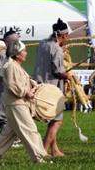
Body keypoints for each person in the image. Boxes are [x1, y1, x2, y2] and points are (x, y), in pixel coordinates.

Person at [0, 41, 49, 165]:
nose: (26, 53)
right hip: (16, 104)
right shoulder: (11, 66)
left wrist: (32, 84)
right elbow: (12, 85)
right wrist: (26, 92)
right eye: (23, 51)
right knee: (30, 129)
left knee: (9, 133)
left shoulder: (15, 65)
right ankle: (39, 157)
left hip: (17, 103)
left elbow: (20, 81)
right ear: (17, 54)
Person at [34, 18, 70, 157]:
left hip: (40, 85)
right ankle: (43, 150)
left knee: (53, 119)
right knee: (57, 121)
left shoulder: (43, 43)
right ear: (64, 35)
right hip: (52, 89)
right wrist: (67, 75)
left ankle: (54, 150)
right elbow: (58, 71)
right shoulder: (56, 49)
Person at [0, 28, 20, 132]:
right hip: (4, 87)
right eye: (16, 42)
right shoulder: (2, 53)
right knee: (2, 116)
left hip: (11, 88)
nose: (18, 44)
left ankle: (12, 137)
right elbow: (2, 71)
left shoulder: (12, 54)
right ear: (8, 42)